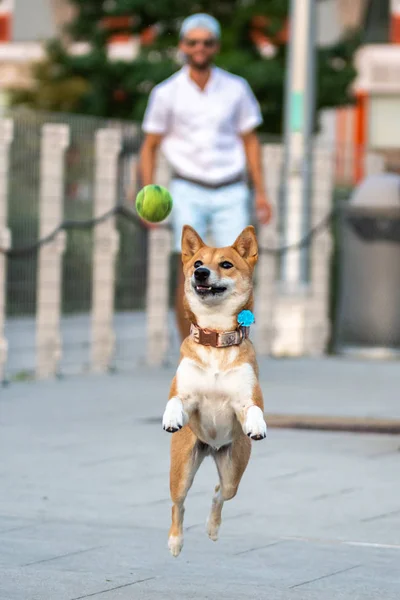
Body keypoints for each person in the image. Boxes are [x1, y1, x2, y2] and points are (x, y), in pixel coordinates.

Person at [137, 13, 272, 341]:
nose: (200, 48)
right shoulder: (165, 92)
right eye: (193, 42)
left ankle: (236, 343)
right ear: (183, 45)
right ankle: (190, 345)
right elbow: (150, 145)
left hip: (231, 188)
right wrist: (146, 191)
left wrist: (261, 193)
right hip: (187, 187)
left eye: (207, 42)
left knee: (240, 273)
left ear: (216, 46)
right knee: (188, 274)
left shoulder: (236, 88)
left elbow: (250, 141)